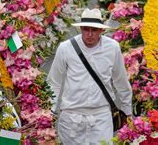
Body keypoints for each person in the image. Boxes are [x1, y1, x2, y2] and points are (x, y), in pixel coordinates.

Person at [47, 8, 132, 144]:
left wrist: (127, 111)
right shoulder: (65, 48)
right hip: (71, 117)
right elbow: (54, 82)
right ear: (81, 29)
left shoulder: (112, 48)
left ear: (101, 30)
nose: (90, 34)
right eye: (86, 29)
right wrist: (49, 112)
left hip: (101, 116)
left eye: (94, 30)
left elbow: (120, 81)